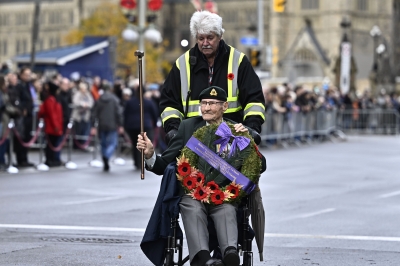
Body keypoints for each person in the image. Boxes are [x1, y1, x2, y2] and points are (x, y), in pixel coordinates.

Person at [138, 86, 261, 266]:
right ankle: (204, 259)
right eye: (203, 103)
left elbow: (260, 165)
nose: (206, 108)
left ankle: (230, 255)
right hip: (193, 194)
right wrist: (150, 155)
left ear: (224, 106)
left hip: (224, 195)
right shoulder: (188, 127)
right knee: (192, 207)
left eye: (212, 103)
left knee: (226, 210)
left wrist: (247, 138)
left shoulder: (234, 129)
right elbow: (164, 164)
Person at [160, 11, 265, 145]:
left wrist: (252, 128)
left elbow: (254, 100)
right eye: (200, 38)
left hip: (232, 140)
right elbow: (169, 102)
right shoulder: (182, 63)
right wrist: (172, 129)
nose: (205, 43)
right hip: (192, 141)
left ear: (220, 36)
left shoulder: (238, 61)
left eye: (210, 38)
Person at [124, 86, 158, 171]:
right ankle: (143, 160)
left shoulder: (130, 102)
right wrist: (154, 124)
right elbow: (154, 114)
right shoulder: (149, 102)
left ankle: (137, 162)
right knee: (145, 144)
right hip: (146, 125)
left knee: (135, 144)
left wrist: (125, 125)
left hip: (132, 125)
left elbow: (125, 114)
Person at [91, 83, 123, 171]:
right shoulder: (114, 99)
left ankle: (105, 157)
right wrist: (120, 124)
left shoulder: (99, 99)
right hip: (112, 124)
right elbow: (118, 113)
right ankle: (107, 156)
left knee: (103, 143)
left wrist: (93, 125)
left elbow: (94, 113)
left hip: (102, 124)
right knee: (113, 143)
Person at [38, 82, 64, 167]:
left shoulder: (54, 99)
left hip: (55, 125)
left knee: (54, 144)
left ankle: (53, 159)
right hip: (51, 126)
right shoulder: (50, 100)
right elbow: (52, 114)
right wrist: (56, 126)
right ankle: (49, 159)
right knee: (50, 144)